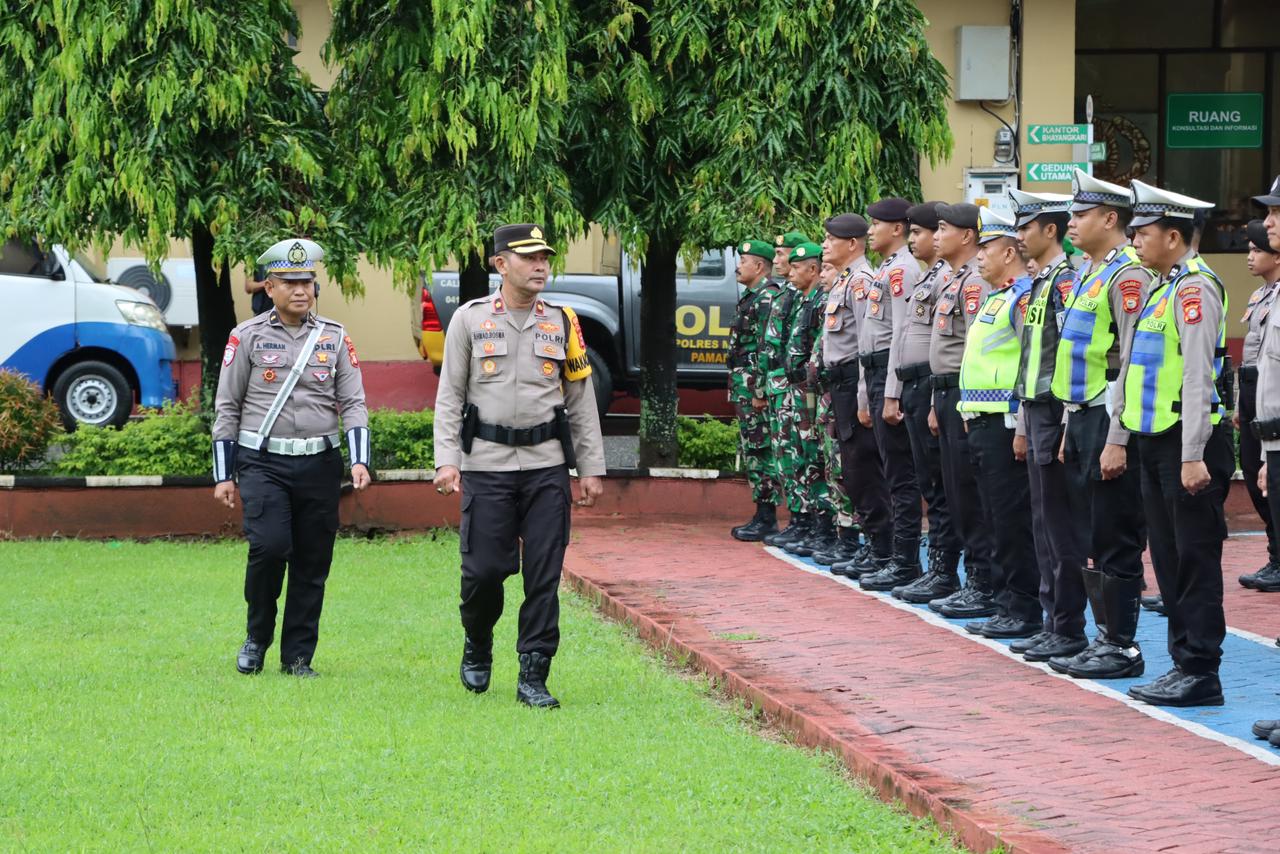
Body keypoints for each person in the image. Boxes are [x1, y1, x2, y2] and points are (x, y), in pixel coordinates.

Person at [432, 223, 606, 709]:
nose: (540, 266)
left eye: (545, 257)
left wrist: (590, 467)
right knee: (485, 571)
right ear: (500, 264)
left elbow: (580, 398)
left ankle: (534, 673)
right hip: (486, 465)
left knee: (544, 574)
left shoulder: (563, 322)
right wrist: (447, 460)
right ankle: (478, 639)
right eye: (528, 258)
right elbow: (449, 395)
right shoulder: (469, 321)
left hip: (546, 465)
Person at [212, 238, 372, 678]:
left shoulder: (335, 338)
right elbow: (227, 405)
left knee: (312, 560)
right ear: (268, 286)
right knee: (269, 547)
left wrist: (359, 460)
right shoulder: (246, 337)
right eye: (290, 282)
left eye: (308, 281)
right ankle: (256, 637)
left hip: (319, 462)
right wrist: (224, 474)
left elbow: (354, 403)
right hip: (263, 461)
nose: (301, 290)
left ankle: (298, 656)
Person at [1114, 182, 1230, 708]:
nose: (1135, 239)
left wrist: (1191, 453)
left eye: (1144, 231)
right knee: (1167, 559)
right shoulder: (1163, 288)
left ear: (1174, 235)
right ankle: (1182, 664)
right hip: (1154, 441)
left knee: (1193, 561)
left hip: (1187, 445)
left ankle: (1202, 669)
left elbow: (1198, 376)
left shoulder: (1194, 289)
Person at [1048, 169, 1153, 679]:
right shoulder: (1090, 271)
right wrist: (1071, 425)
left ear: (1110, 218)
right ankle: (1102, 637)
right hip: (1083, 416)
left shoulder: (1126, 274)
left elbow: (1132, 361)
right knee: (1090, 531)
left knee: (1114, 532)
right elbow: (1080, 361)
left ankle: (1122, 646)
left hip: (1111, 419)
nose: (1070, 222)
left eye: (1080, 214)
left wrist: (1117, 437)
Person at [1007, 188, 1089, 664]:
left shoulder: (1064, 282)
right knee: (1042, 523)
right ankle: (1051, 618)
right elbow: (1030, 359)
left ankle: (1069, 625)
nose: (1019, 237)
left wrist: (1059, 422)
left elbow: (1066, 358)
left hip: (1055, 412)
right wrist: (1023, 420)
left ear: (1049, 230)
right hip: (1035, 412)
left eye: (1026, 228)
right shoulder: (1043, 281)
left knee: (1060, 526)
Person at [955, 207, 1041, 640]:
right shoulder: (996, 298)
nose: (979, 258)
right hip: (983, 423)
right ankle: (1006, 602)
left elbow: (1031, 362)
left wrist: (1023, 423)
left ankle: (1022, 608)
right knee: (992, 517)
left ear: (1009, 253)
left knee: (1011, 521)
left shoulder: (1023, 297)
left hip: (1007, 425)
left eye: (986, 249)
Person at [888, 201, 963, 603]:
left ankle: (944, 570)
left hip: (933, 387)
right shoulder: (933, 277)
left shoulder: (955, 279)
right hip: (920, 387)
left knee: (941, 486)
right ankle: (937, 567)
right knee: (931, 484)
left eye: (923, 232)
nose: (917, 239)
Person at [925, 203, 998, 619]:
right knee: (955, 491)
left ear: (968, 235)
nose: (937, 236)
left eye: (943, 228)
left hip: (964, 393)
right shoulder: (953, 279)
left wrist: (962, 402)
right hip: (946, 392)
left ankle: (982, 582)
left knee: (970, 494)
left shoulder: (974, 282)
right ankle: (974, 579)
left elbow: (976, 347)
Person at [817, 214, 892, 577]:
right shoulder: (845, 280)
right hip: (839, 383)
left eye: (832, 240)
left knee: (864, 468)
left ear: (852, 244)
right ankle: (872, 545)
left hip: (853, 382)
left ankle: (881, 548)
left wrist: (863, 394)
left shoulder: (861, 281)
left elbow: (868, 343)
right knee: (852, 469)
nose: (825, 246)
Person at [857, 198, 925, 591]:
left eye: (876, 224)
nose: (870, 231)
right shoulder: (887, 269)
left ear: (895, 228)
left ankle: (904, 561)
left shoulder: (902, 271)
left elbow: (901, 333)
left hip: (890, 371)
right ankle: (896, 558)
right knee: (890, 471)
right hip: (876, 370)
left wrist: (891, 393)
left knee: (901, 476)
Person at [751, 232, 811, 543]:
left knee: (802, 456)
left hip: (794, 387)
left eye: (780, 254)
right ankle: (798, 520)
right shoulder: (786, 292)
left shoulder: (799, 294)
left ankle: (808, 522)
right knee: (786, 455)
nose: (776, 260)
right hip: (778, 385)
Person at [775, 242, 833, 556]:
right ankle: (807, 522)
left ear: (812, 269)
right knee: (800, 456)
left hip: (811, 391)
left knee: (815, 456)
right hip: (797, 389)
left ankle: (823, 527)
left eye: (797, 267)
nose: (790, 272)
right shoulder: (803, 299)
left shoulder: (820, 300)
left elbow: (818, 348)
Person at [728, 239, 782, 541]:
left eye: (744, 260)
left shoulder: (766, 298)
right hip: (744, 386)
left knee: (761, 450)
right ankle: (762, 513)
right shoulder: (753, 296)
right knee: (753, 449)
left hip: (754, 389)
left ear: (759, 266)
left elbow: (765, 347)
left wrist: (760, 391)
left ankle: (767, 517)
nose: (738, 266)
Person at [1236, 219, 1280, 592]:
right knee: (1253, 475)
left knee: (1272, 480)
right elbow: (1252, 356)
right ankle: (1274, 553)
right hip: (1252, 391)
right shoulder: (1259, 297)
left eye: (1256, 250)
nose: (1249, 257)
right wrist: (1240, 404)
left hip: (1271, 395)